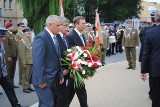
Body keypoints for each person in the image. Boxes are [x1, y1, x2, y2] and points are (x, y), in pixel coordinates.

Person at [31, 15, 64, 107]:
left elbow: (58, 57)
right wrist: (41, 81)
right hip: (43, 80)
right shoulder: (41, 38)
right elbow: (38, 62)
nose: (60, 27)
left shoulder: (55, 36)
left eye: (60, 25)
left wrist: (60, 73)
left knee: (45, 104)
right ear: (49, 24)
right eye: (58, 25)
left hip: (53, 78)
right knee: (48, 104)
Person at [67, 16, 88, 107]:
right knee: (80, 89)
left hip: (80, 67)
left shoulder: (82, 35)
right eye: (82, 23)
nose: (85, 25)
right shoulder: (71, 36)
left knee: (70, 91)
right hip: (75, 69)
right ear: (76, 24)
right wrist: (72, 69)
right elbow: (69, 53)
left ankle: (63, 104)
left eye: (85, 23)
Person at [0, 27, 24, 107]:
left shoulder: (1, 44)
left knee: (10, 88)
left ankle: (16, 105)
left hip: (3, 73)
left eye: (3, 36)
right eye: (1, 37)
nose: (3, 38)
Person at [141, 11, 160, 107]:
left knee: (156, 97)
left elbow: (146, 53)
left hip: (155, 70)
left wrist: (143, 71)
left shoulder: (149, 33)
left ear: (153, 19)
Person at [55, 17, 70, 107]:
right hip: (60, 72)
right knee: (60, 95)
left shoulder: (65, 37)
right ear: (60, 26)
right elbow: (57, 56)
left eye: (68, 26)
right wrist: (62, 70)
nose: (67, 28)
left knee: (62, 94)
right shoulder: (56, 37)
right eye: (65, 26)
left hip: (66, 70)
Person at [19, 28, 35, 93]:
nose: (30, 34)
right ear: (24, 34)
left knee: (30, 75)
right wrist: (24, 63)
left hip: (31, 61)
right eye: (28, 33)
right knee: (25, 75)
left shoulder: (30, 40)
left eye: (30, 33)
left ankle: (29, 86)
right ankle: (25, 87)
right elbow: (21, 53)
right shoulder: (22, 41)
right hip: (26, 61)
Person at [3, 22, 19, 88]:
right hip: (10, 56)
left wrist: (17, 55)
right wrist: (8, 56)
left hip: (14, 55)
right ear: (8, 27)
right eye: (11, 26)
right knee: (9, 71)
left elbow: (15, 45)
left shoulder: (12, 34)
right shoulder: (6, 35)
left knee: (13, 70)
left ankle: (12, 83)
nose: (12, 27)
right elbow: (6, 46)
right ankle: (8, 84)